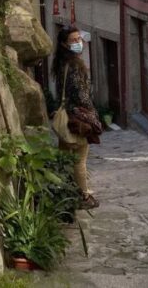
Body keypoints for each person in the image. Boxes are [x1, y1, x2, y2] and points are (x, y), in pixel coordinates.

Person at [52, 25, 100, 209]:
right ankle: (84, 197)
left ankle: (64, 194)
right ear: (64, 44)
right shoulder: (76, 65)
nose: (78, 43)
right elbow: (82, 95)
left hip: (65, 119)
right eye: (73, 40)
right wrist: (91, 114)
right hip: (77, 120)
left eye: (79, 39)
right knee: (80, 160)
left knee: (64, 158)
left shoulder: (61, 63)